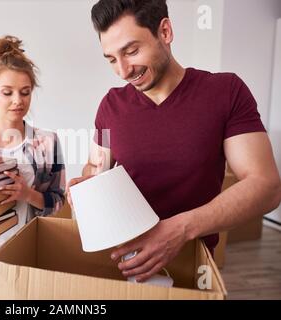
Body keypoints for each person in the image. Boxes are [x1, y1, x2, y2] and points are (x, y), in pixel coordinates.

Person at [67, 0, 281, 283]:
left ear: (165, 31)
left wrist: (180, 229)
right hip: (123, 269)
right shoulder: (111, 105)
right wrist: (86, 186)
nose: (123, 70)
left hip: (194, 270)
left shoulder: (226, 92)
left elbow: (267, 187)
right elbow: (97, 169)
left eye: (131, 51)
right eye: (111, 59)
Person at [0, 35, 66, 299]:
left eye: (25, 92)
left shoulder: (47, 142)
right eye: (8, 92)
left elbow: (59, 200)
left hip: (26, 261)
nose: (18, 100)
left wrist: (28, 195)